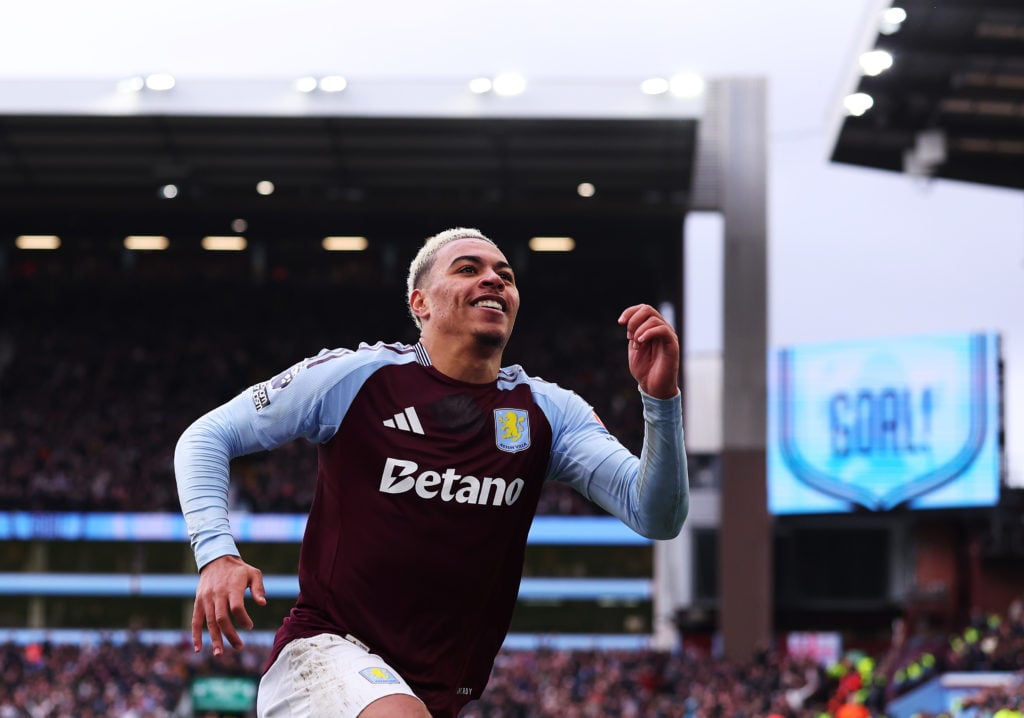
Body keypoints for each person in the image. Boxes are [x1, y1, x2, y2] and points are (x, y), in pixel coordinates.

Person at [174, 227, 690, 718]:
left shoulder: (549, 411)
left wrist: (660, 401)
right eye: (468, 269)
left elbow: (655, 514)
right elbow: (205, 437)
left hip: (436, 691)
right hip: (323, 656)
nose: (493, 279)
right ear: (419, 303)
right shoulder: (357, 378)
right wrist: (216, 554)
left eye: (505, 275)